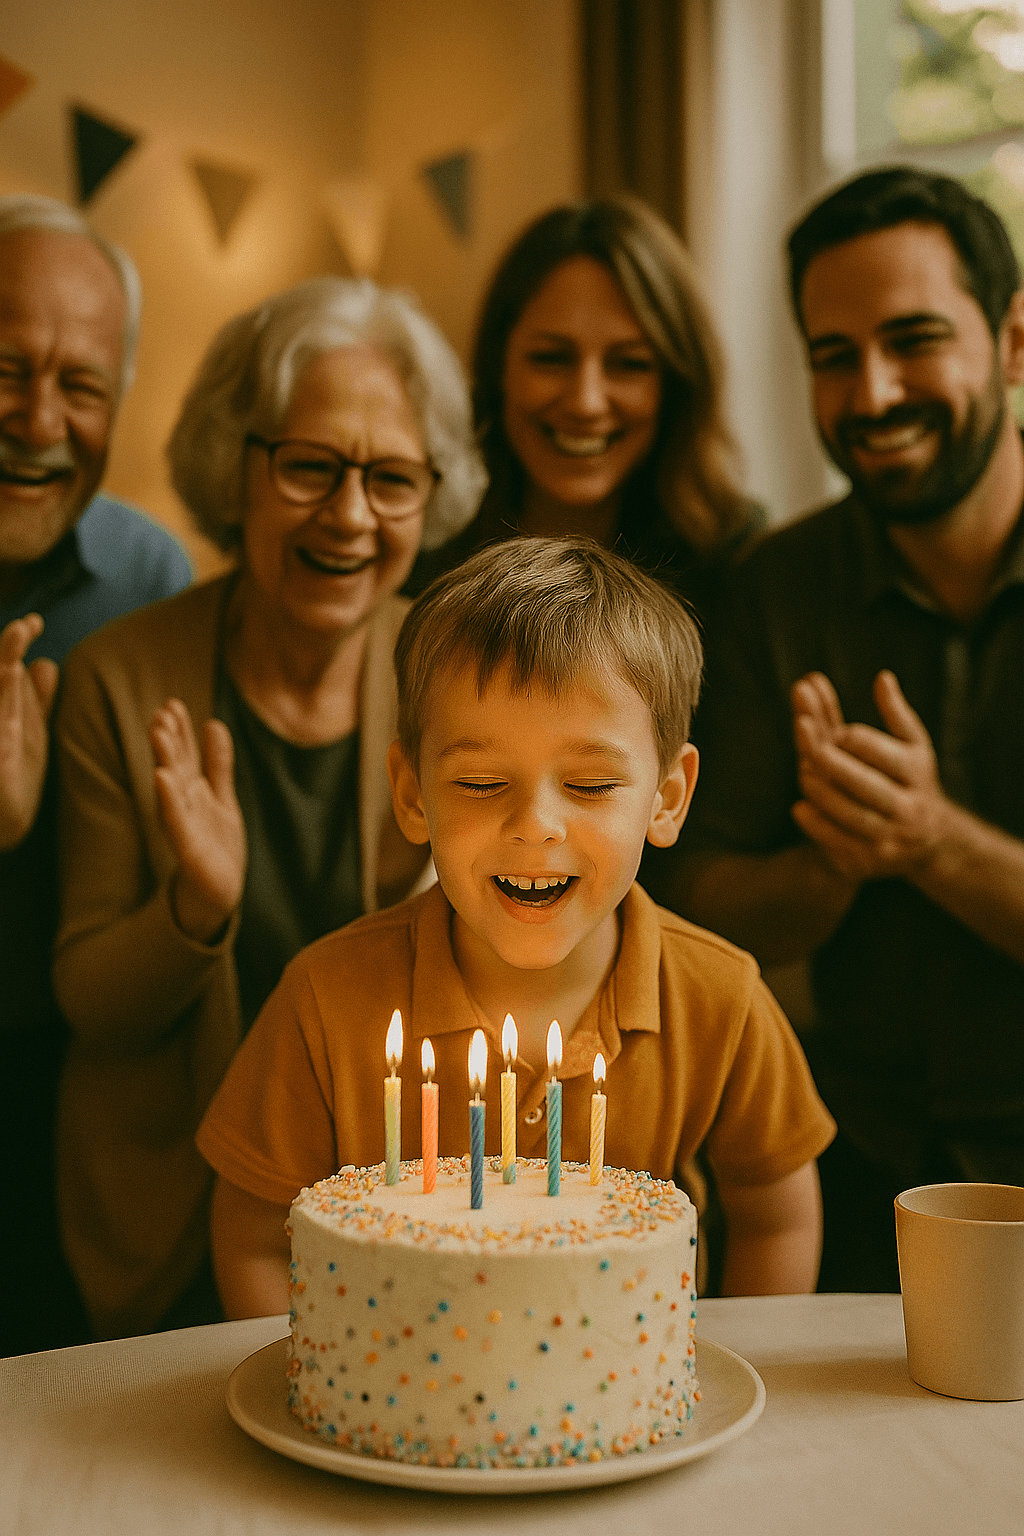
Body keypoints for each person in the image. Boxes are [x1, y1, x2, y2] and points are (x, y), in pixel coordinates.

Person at [195, 537, 835, 1318]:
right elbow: (253, 1234)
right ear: (411, 793)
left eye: (591, 784)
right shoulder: (326, 999)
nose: (535, 826)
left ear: (668, 798)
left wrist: (730, 1362)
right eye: (481, 782)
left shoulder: (720, 997)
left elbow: (778, 1210)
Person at [52, 276, 487, 1341]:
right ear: (232, 465)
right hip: (169, 1226)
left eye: (391, 478)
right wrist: (194, 909)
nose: (348, 515)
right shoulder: (120, 675)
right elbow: (89, 1002)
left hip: (394, 1220)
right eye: (308, 467)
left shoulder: (457, 670)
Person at [662, 166, 1024, 1292]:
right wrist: (827, 865)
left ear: (1013, 341)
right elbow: (704, 896)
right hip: (858, 1177)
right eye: (832, 356)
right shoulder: (780, 588)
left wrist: (927, 841)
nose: (870, 393)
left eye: (912, 340)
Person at [0, 195, 191, 1356]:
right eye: (6, 369)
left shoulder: (147, 573)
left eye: (81, 386)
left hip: (71, 1103)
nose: (37, 419)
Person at [408, 195, 759, 622]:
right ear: (498, 366)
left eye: (629, 364)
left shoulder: (738, 564)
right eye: (551, 358)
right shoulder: (420, 544)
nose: (586, 402)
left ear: (676, 385)